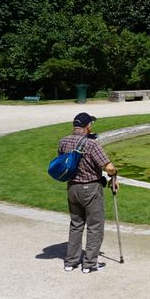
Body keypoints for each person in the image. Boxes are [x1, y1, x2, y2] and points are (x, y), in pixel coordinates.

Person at [59, 112, 119, 274]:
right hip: (90, 188)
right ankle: (90, 263)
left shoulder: (63, 142)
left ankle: (70, 262)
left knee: (76, 225)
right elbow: (108, 167)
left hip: (72, 188)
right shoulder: (92, 145)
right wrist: (114, 175)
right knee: (95, 226)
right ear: (88, 126)